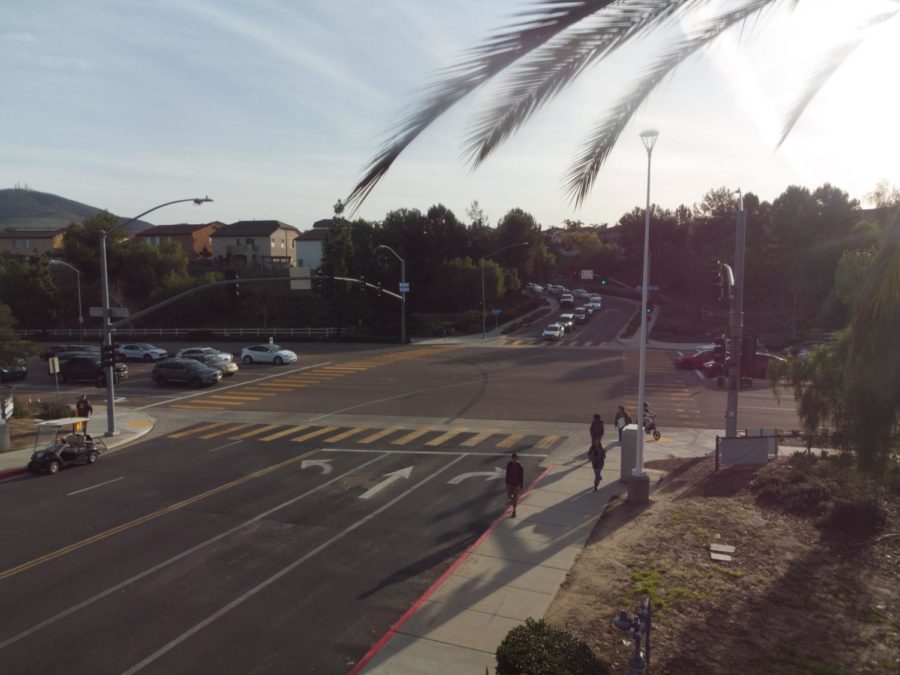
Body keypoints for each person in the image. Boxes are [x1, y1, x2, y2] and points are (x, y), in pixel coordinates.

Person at [588, 414, 605, 490]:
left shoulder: (602, 449)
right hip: (594, 463)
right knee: (596, 473)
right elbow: (591, 429)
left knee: (597, 474)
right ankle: (599, 477)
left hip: (599, 463)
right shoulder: (592, 448)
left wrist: (599, 436)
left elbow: (602, 431)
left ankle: (596, 485)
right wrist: (590, 457)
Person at [505, 453, 524, 518]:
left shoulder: (520, 466)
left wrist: (521, 485)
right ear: (512, 458)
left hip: (517, 484)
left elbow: (521, 476)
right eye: (513, 458)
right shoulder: (509, 464)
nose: (514, 459)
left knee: (514, 498)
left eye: (515, 458)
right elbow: (507, 473)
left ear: (517, 458)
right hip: (510, 483)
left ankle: (514, 511)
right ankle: (513, 500)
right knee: (509, 496)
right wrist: (506, 482)